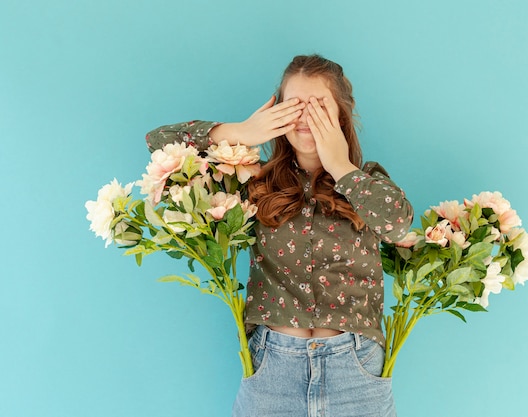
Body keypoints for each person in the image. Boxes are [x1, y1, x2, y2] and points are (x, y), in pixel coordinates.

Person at [145, 54, 413, 417]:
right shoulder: (252, 181)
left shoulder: (367, 180)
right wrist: (241, 131)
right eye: (293, 106)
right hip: (273, 369)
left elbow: (397, 224)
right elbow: (159, 143)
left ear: (341, 115)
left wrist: (340, 167)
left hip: (356, 370)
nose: (304, 117)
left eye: (318, 106)